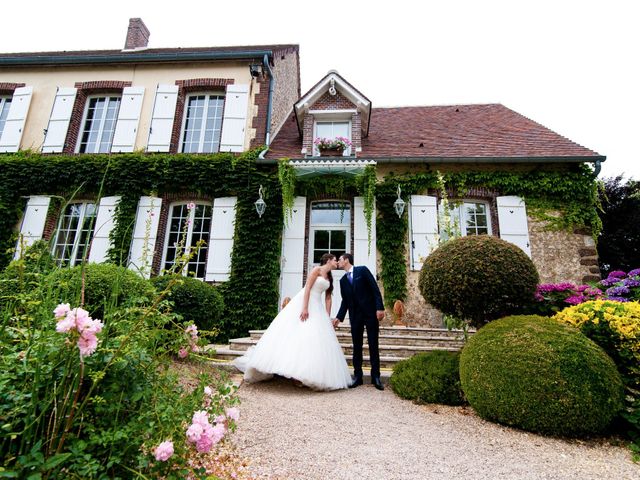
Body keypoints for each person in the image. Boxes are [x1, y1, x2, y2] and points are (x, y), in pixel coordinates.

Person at [234, 253, 352, 391]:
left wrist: (327, 315)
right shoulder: (316, 270)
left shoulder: (330, 277)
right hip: (305, 302)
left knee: (313, 340)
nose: (337, 262)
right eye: (335, 260)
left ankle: (307, 374)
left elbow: (328, 298)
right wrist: (305, 308)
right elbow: (307, 288)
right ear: (328, 260)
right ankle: (295, 375)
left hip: (318, 307)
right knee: (298, 334)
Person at [333, 253, 385, 390]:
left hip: (370, 313)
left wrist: (380, 308)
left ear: (346, 260)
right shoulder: (343, 281)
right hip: (355, 316)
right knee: (357, 346)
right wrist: (339, 317)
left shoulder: (362, 270)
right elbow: (345, 301)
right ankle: (358, 377)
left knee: (373, 344)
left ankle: (376, 377)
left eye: (339, 259)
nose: (338, 261)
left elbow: (375, 289)